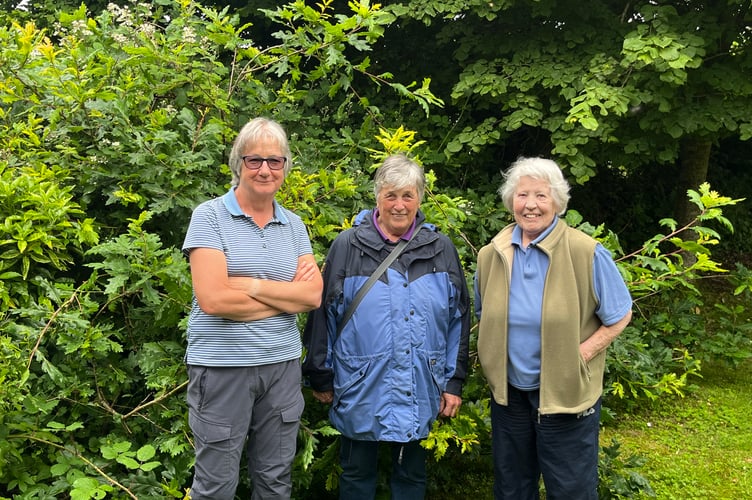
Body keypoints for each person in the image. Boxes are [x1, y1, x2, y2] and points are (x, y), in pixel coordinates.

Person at [302, 154, 470, 499]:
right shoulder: (348, 246)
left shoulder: (440, 248)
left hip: (419, 382)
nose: (399, 205)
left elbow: (459, 318)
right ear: (377, 196)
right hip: (359, 383)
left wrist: (454, 380)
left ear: (419, 198)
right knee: (356, 475)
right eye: (390, 195)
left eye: (407, 195)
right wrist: (320, 372)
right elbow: (323, 314)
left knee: (411, 477)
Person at [474, 157, 633, 500]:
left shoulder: (586, 251)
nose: (530, 205)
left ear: (558, 203)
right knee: (512, 488)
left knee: (570, 489)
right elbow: (482, 312)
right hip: (509, 397)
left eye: (541, 196)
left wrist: (581, 354)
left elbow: (620, 314)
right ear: (510, 201)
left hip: (565, 394)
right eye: (522, 195)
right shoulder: (492, 254)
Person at [182, 117, 323, 500]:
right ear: (238, 164)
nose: (265, 169)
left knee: (275, 482)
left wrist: (253, 285)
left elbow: (312, 296)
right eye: (254, 160)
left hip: (282, 368)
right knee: (215, 486)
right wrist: (283, 300)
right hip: (222, 369)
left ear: (285, 167)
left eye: (275, 161)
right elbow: (213, 301)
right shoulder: (209, 217)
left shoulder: (293, 225)